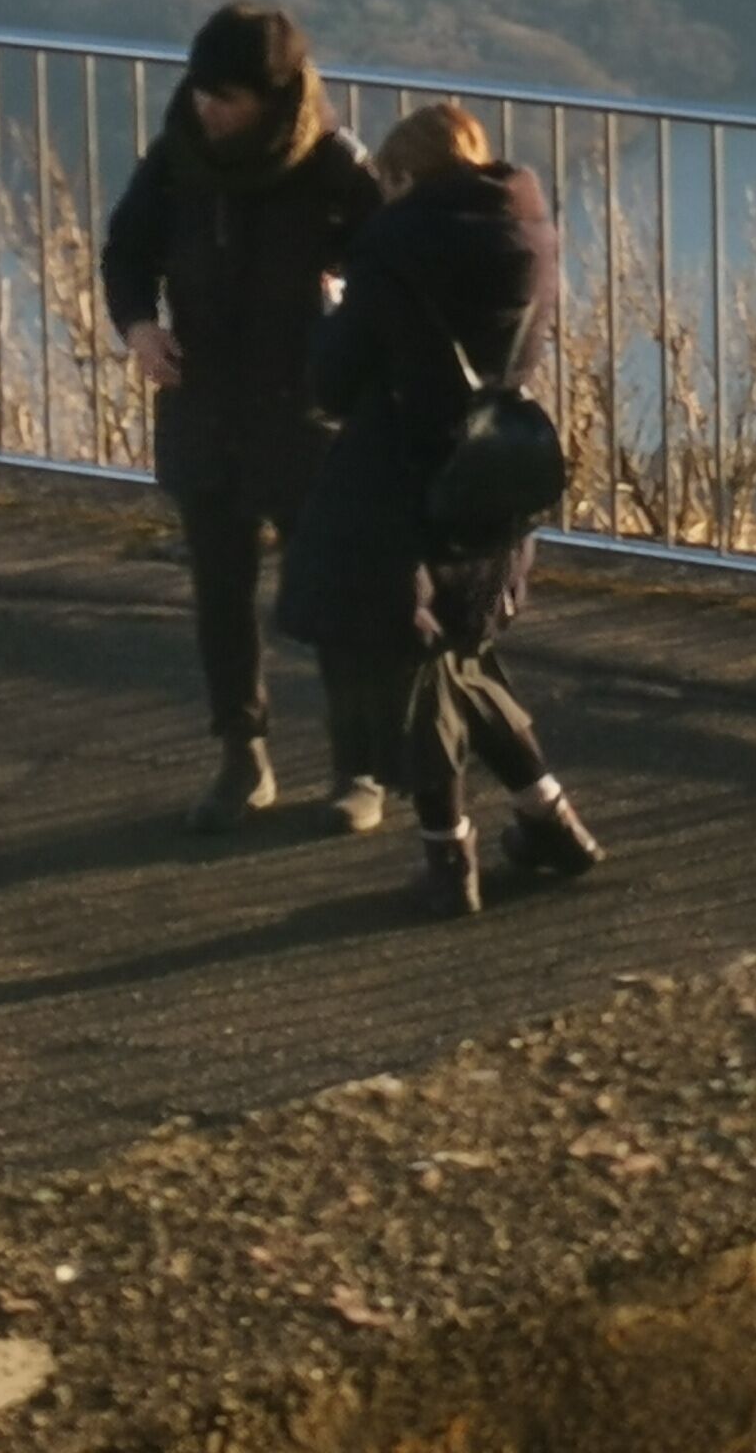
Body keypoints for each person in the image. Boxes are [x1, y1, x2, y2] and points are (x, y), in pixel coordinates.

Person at [292, 99, 601, 920]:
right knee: (463, 654)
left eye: (387, 181)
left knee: (418, 662)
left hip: (402, 475)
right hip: (492, 466)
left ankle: (447, 858)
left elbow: (338, 376)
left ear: (404, 178)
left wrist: (331, 306)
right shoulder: (527, 236)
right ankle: (550, 818)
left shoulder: (397, 251)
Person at [100, 2, 384, 837]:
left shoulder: (334, 168)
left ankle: (358, 765)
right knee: (218, 591)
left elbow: (391, 267)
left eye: (226, 96)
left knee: (331, 594)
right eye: (200, 91)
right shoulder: (178, 160)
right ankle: (241, 753)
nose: (207, 109)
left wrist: (349, 347)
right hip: (204, 406)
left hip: (302, 414)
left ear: (274, 96)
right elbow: (127, 249)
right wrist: (139, 325)